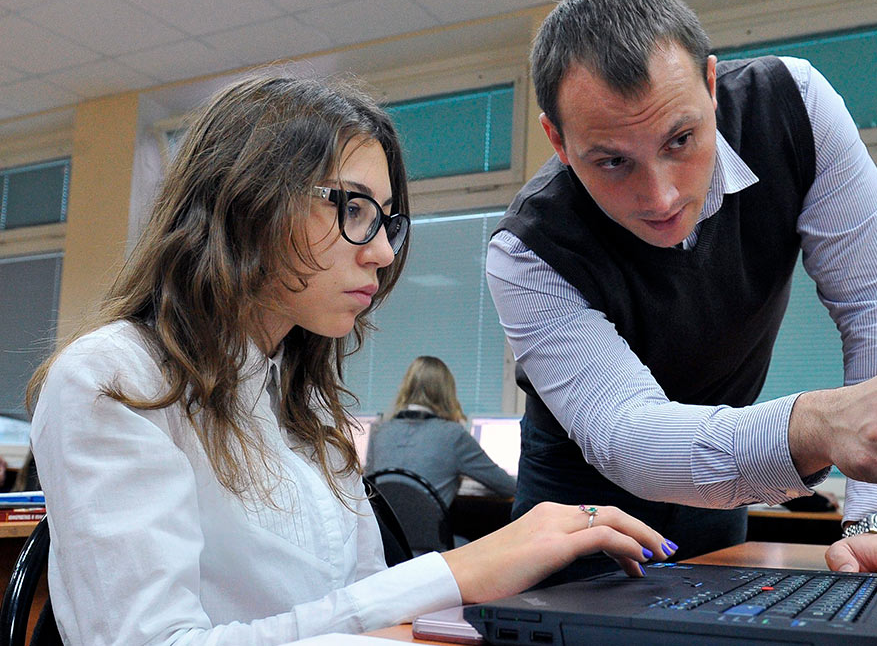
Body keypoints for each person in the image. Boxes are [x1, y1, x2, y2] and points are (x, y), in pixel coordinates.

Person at [26, 74, 675, 644]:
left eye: (386, 220)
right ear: (250, 199)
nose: (384, 252)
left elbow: (364, 607)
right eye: (355, 207)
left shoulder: (302, 401)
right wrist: (455, 571)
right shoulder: (111, 380)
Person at [486, 0, 877, 583]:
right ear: (558, 141)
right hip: (578, 492)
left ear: (711, 86)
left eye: (681, 139)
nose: (661, 196)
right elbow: (626, 433)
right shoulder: (527, 248)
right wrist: (818, 424)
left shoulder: (795, 107)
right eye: (613, 160)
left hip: (726, 466)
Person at [366, 355, 516, 507]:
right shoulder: (454, 435)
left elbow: (368, 488)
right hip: (427, 522)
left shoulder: (380, 432)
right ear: (447, 393)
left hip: (382, 522)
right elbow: (508, 487)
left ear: (406, 388)